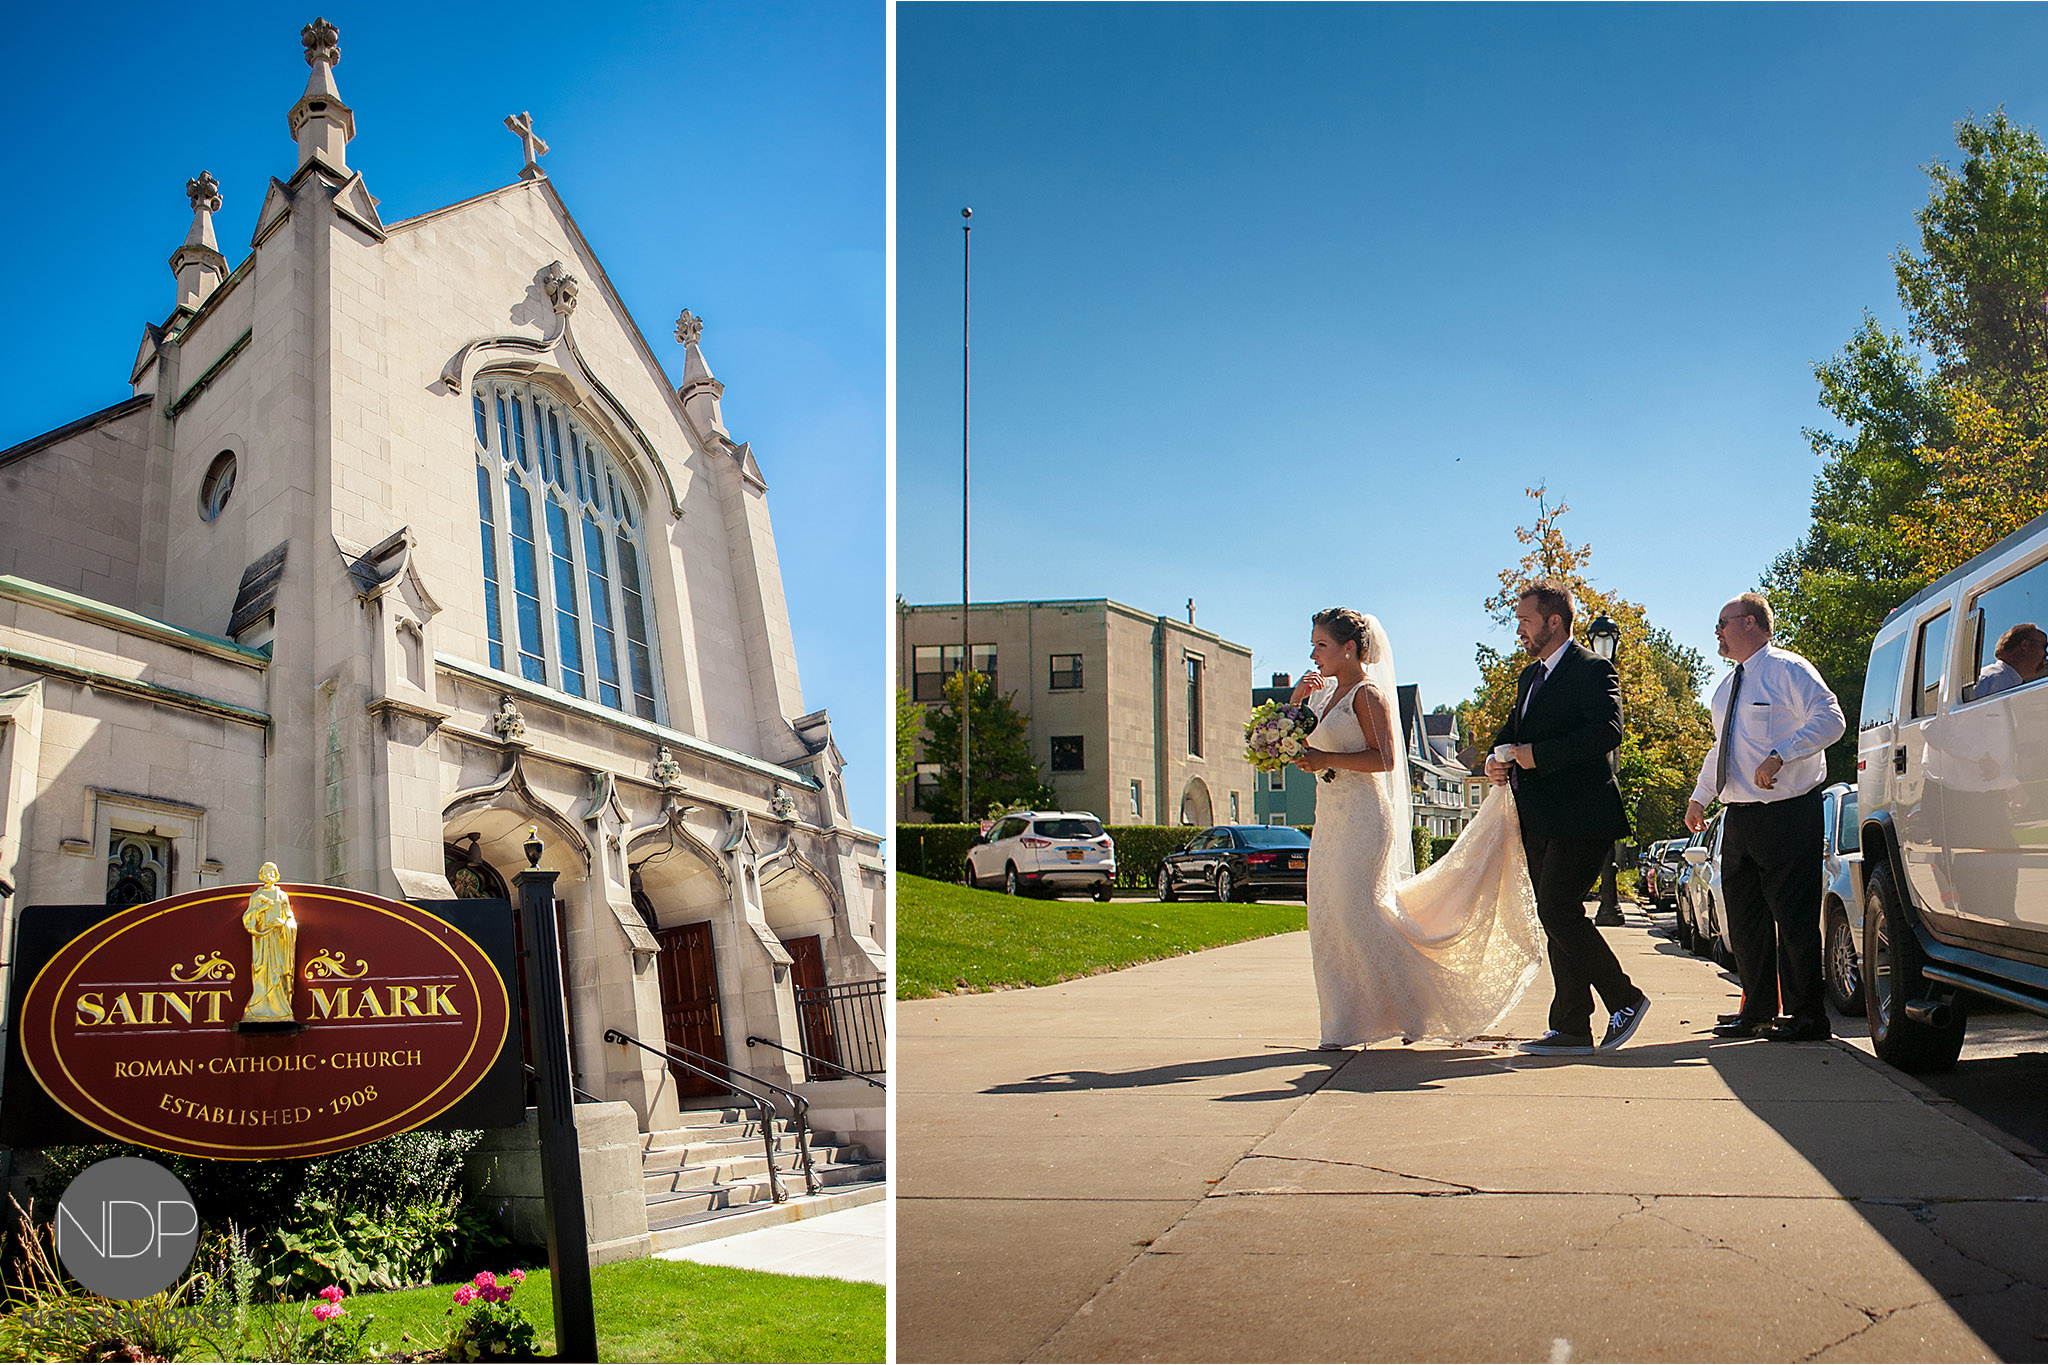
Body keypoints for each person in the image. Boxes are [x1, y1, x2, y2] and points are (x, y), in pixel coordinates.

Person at [1291, 607, 1545, 1049]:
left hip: (1364, 818)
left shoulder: (1369, 696)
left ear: (1349, 649)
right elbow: (1297, 743)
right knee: (1329, 917)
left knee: (1359, 915)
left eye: (1322, 646)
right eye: (1313, 645)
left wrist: (1326, 760)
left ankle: (1418, 1006)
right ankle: (1344, 1022)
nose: (1314, 654)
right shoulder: (1320, 697)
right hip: (1329, 818)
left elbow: (1387, 759)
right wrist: (1296, 700)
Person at [1484, 581, 1651, 1056]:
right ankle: (1571, 1026)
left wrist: (1537, 755)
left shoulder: (1593, 669)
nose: (1519, 629)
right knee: (1558, 917)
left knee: (1556, 909)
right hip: (1538, 818)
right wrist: (1496, 760)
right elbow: (1512, 731)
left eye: (1525, 621)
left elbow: (1606, 732)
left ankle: (1625, 997)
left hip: (1585, 814)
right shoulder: (1528, 677)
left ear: (1553, 622)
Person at [1686, 592, 1846, 1043]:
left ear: (1752, 623)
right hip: (1739, 816)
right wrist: (1701, 797)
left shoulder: (1788, 670)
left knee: (1793, 918)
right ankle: (1755, 1010)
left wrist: (1782, 755)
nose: (1717, 631)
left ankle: (1807, 1016)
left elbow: (1831, 719)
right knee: (1745, 919)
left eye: (1724, 622)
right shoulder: (1725, 689)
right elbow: (1722, 749)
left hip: (1788, 813)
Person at [1973, 623, 2048, 700]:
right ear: (2025, 645)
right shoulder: (1990, 681)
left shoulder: (2007, 682)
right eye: (2044, 646)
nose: (2046, 654)